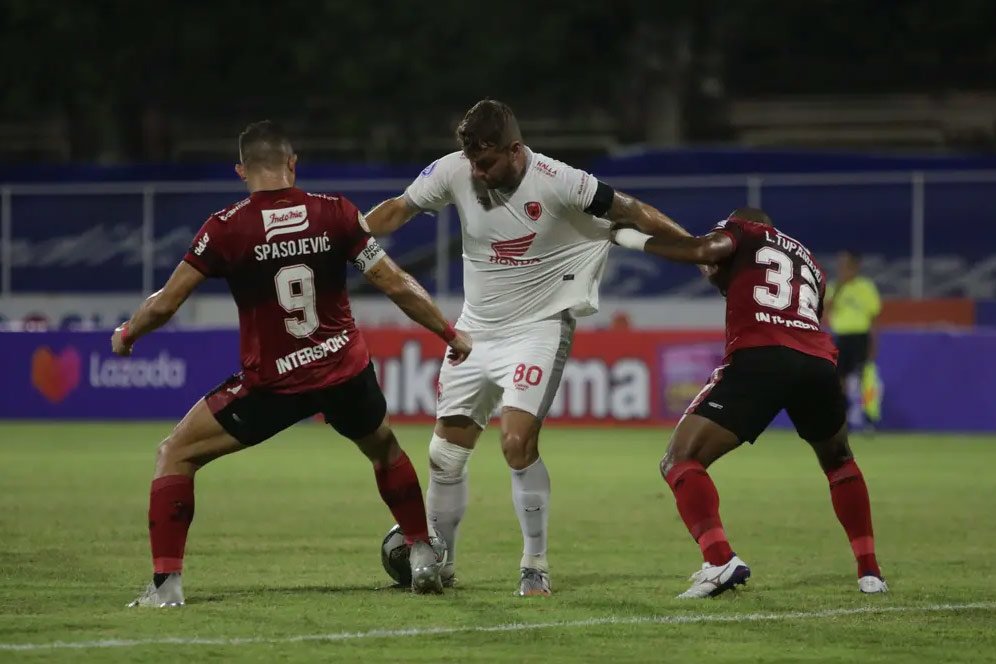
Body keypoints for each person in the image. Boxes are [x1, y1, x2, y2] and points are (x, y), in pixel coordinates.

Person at [113, 120, 472, 607]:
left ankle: (166, 586)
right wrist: (448, 332)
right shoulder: (336, 213)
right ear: (293, 163)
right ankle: (424, 555)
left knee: (174, 454)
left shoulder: (226, 227)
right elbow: (395, 282)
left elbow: (165, 303)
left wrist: (128, 333)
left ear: (242, 170)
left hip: (274, 385)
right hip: (344, 369)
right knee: (385, 451)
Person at [363, 99, 691, 596]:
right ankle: (442, 564)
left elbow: (633, 212)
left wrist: (698, 249)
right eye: (472, 160)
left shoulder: (560, 180)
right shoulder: (455, 172)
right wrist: (348, 236)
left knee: (516, 443)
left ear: (516, 151)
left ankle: (534, 564)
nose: (477, 171)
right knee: (443, 456)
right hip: (474, 332)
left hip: (538, 329)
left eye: (487, 161)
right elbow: (398, 210)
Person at [612, 208, 887, 598]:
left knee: (679, 460)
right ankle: (870, 572)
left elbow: (706, 251)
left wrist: (629, 239)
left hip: (761, 357)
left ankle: (719, 558)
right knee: (839, 461)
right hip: (817, 362)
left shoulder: (746, 231)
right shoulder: (808, 260)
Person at [825, 250, 882, 427]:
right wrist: (838, 290)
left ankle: (869, 417)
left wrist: (873, 343)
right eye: (840, 265)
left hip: (860, 337)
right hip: (841, 337)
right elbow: (826, 313)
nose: (842, 269)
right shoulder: (833, 287)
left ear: (856, 267)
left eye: (846, 265)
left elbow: (874, 318)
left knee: (865, 377)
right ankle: (842, 417)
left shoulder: (865, 287)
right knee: (839, 378)